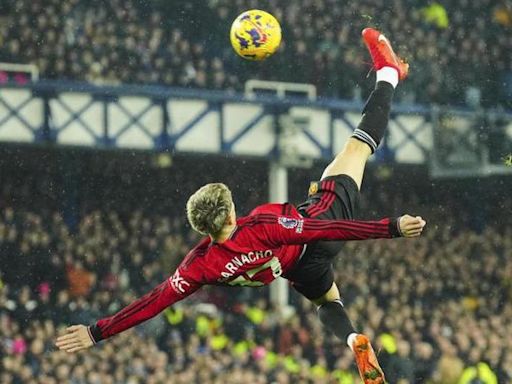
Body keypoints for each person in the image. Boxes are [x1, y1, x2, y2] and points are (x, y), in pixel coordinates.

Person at [56, 28, 421, 384]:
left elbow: (153, 301)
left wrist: (97, 331)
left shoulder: (200, 264)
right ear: (231, 212)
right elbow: (323, 229)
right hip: (318, 230)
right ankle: (388, 74)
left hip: (299, 271)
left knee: (328, 302)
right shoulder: (262, 224)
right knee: (357, 148)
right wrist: (390, 227)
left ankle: (352, 338)